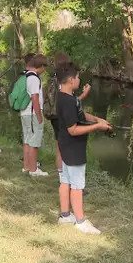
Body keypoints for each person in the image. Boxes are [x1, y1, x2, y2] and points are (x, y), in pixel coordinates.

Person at [56, 62, 111, 234]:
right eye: (78, 77)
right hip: (73, 149)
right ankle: (80, 222)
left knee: (65, 181)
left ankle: (65, 216)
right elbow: (73, 129)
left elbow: (80, 114)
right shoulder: (69, 101)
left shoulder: (62, 97)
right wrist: (97, 127)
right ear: (71, 80)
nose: (79, 80)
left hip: (64, 146)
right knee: (77, 186)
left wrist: (96, 119)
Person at [47, 52, 91, 179]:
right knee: (62, 146)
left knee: (60, 144)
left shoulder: (53, 77)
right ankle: (64, 177)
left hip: (55, 114)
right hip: (60, 115)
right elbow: (69, 104)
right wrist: (84, 94)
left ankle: (63, 177)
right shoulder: (61, 80)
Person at [21, 54, 49, 176]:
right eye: (44, 67)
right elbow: (35, 98)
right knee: (34, 142)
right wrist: (39, 116)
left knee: (27, 141)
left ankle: (27, 167)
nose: (45, 70)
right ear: (41, 66)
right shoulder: (34, 78)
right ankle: (34, 170)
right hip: (32, 114)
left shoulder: (25, 75)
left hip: (24, 113)